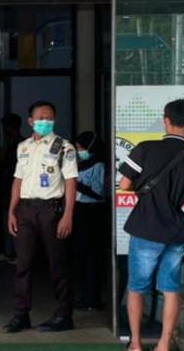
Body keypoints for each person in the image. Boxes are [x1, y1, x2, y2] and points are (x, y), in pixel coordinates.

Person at [117, 99, 184, 351]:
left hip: (146, 228)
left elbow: (124, 184)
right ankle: (164, 344)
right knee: (171, 289)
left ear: (165, 120)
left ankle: (136, 344)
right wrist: (178, 196)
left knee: (137, 288)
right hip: (174, 231)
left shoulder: (145, 149)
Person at [4, 101, 78, 334]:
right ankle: (21, 314)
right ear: (31, 121)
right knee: (23, 265)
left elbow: (71, 182)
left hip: (51, 210)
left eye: (49, 117)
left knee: (57, 263)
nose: (45, 121)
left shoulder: (64, 147)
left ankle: (64, 315)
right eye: (41, 118)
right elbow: (18, 180)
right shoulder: (23, 147)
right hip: (25, 210)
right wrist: (11, 211)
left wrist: (68, 215)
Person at [71, 131, 107, 311]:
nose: (79, 151)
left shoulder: (99, 165)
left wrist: (75, 184)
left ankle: (92, 298)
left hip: (92, 212)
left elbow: (98, 192)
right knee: (82, 256)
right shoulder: (81, 164)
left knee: (91, 256)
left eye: (80, 148)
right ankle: (85, 296)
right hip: (80, 210)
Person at [0, 113, 23, 263]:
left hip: (16, 187)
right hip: (7, 186)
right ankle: (9, 251)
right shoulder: (9, 143)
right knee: (7, 219)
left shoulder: (21, 144)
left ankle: (18, 254)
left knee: (17, 220)